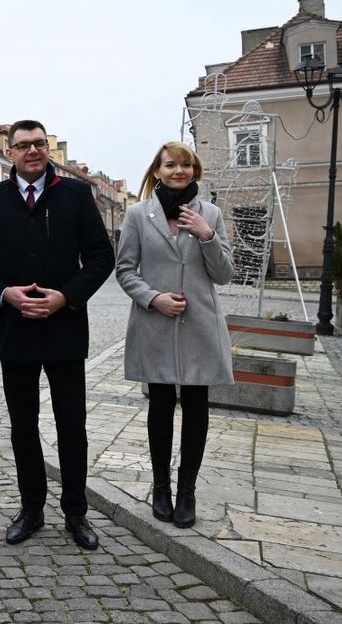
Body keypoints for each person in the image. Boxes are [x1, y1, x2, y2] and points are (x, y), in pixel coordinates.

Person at [0, 119, 115, 551]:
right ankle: (31, 508)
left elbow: (100, 257)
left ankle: (76, 512)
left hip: (65, 327)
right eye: (23, 145)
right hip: (15, 331)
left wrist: (66, 297)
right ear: (9, 152)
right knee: (23, 426)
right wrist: (3, 294)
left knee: (72, 424)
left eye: (39, 144)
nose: (32, 151)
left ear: (46, 149)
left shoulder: (74, 195)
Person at [115, 141, 234, 528]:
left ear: (194, 171)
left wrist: (206, 235)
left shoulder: (211, 214)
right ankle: (161, 487)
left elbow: (225, 274)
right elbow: (126, 270)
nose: (177, 171)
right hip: (156, 324)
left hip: (200, 325)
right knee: (161, 406)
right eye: (170, 165)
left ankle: (187, 492)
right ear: (157, 172)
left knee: (197, 407)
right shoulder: (137, 215)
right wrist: (154, 299)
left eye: (185, 165)